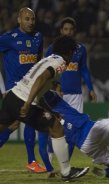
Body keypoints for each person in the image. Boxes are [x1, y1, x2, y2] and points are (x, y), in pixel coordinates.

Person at [0, 35, 89, 181]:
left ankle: (66, 171)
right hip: (23, 101)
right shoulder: (60, 62)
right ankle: (66, 172)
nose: (74, 55)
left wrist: (50, 110)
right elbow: (41, 79)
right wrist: (28, 103)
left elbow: (40, 90)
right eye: (73, 51)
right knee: (56, 127)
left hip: (12, 97)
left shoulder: (49, 58)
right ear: (69, 52)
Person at [39, 17, 97, 174]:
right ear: (61, 31)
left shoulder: (80, 49)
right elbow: (45, 69)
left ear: (74, 31)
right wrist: (52, 87)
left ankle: (66, 165)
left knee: (73, 131)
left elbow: (83, 69)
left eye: (71, 29)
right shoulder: (53, 48)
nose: (68, 32)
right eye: (65, 29)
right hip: (56, 95)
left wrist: (90, 88)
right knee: (55, 128)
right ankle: (50, 163)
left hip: (76, 95)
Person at [0, 7, 47, 173]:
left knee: (14, 124)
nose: (30, 22)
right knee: (13, 123)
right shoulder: (8, 38)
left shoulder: (38, 37)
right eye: (27, 19)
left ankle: (31, 161)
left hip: (30, 88)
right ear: (19, 20)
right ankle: (31, 160)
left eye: (32, 19)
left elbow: (40, 61)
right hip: (14, 89)